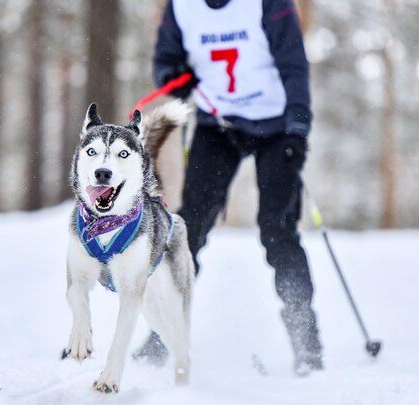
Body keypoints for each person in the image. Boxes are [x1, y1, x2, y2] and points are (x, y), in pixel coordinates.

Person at [133, 0, 323, 375]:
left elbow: (294, 65)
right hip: (217, 125)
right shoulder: (182, 7)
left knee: (278, 230)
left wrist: (299, 128)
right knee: (187, 230)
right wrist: (176, 75)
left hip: (278, 126)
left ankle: (307, 343)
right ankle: (161, 334)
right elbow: (166, 63)